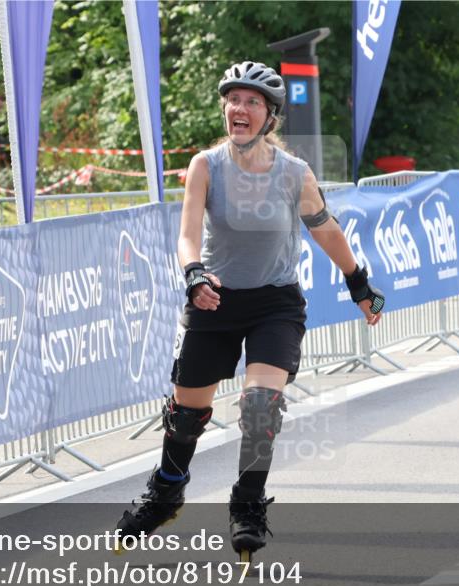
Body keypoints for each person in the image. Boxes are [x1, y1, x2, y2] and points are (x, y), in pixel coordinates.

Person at [116, 61, 385, 560]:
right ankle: (168, 489)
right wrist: (194, 272)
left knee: (260, 408)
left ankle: (247, 503)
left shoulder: (294, 174)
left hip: (274, 303)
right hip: (214, 297)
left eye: (252, 102)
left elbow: (325, 230)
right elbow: (188, 232)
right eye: (234, 100)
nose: (240, 109)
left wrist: (358, 282)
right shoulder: (206, 165)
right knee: (186, 416)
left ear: (270, 117)